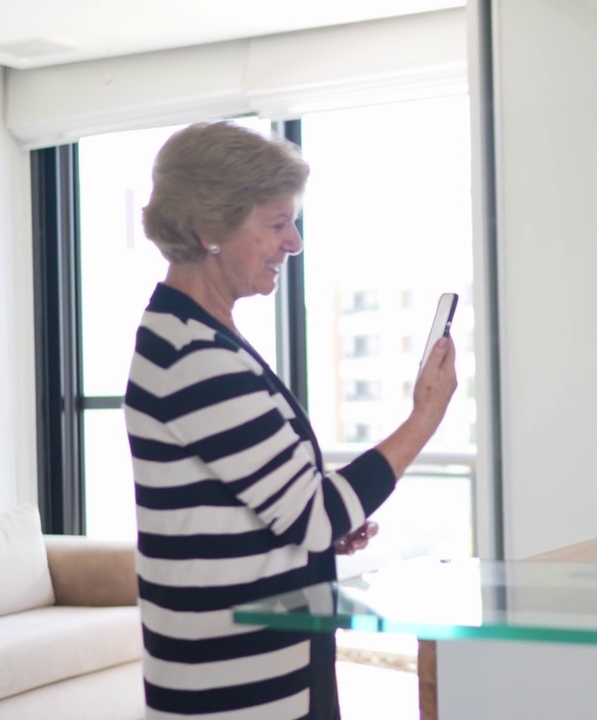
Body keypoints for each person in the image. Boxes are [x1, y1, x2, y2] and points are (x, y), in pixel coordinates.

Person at [124, 121, 457, 719]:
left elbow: (275, 506)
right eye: (276, 223)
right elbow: (314, 512)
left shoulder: (200, 338)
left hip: (263, 675)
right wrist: (425, 418)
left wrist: (317, 534)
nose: (295, 241)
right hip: (234, 693)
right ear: (208, 231)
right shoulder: (193, 356)